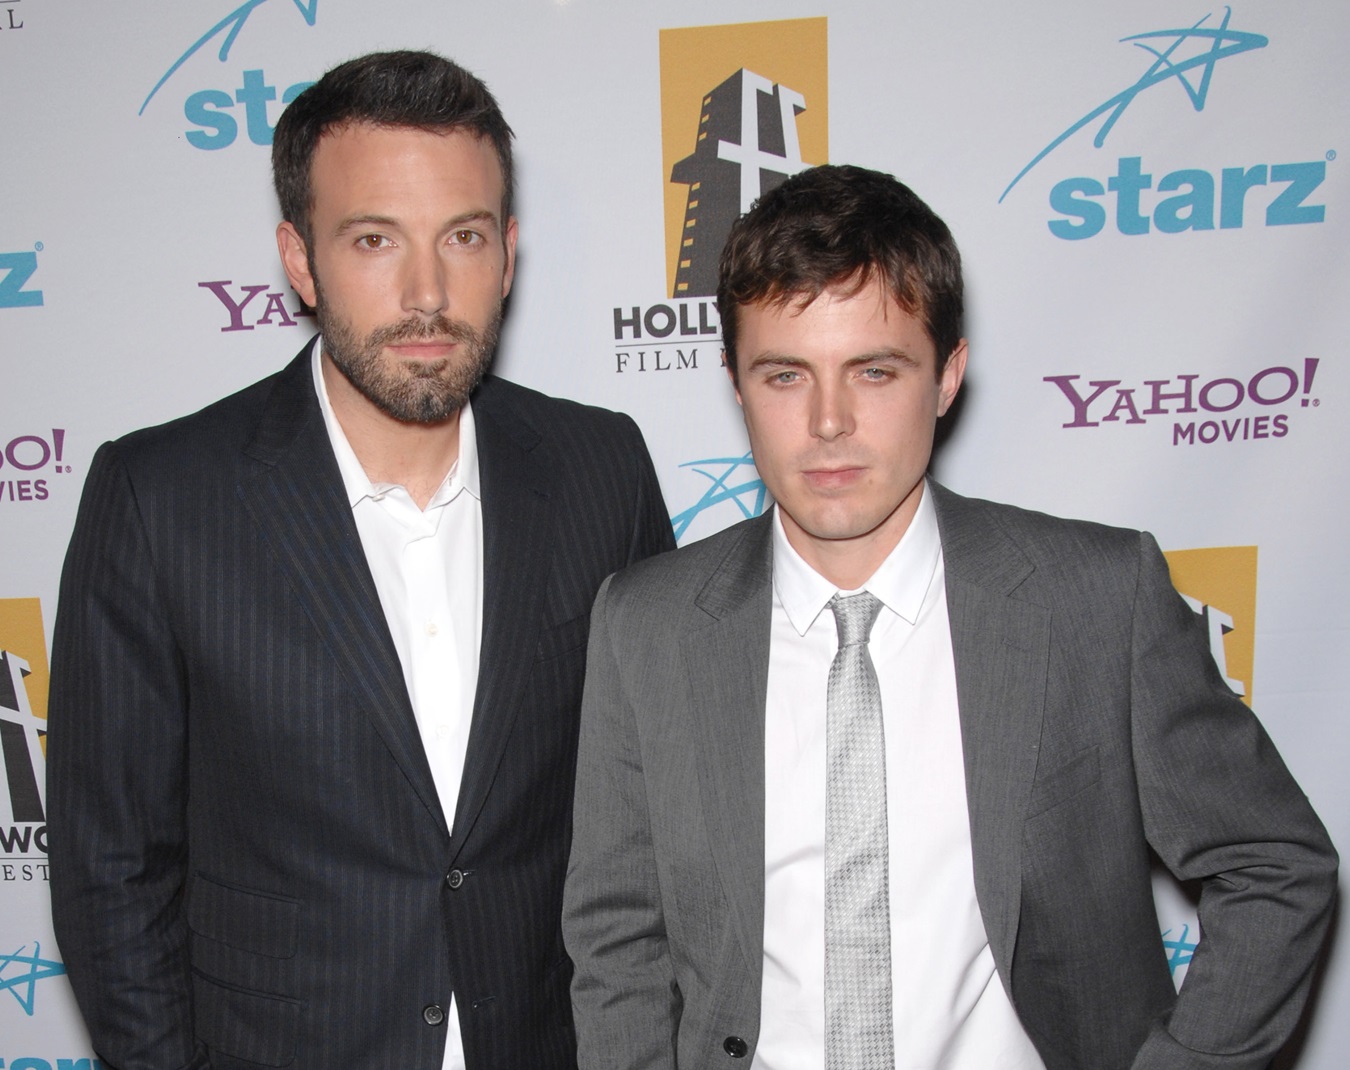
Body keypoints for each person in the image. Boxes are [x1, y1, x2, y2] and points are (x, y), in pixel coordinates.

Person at [562, 164, 1337, 1070]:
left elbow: (1276, 865)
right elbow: (616, 933)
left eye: (875, 370)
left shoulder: (1094, 598)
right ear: (735, 383)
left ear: (947, 377)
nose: (828, 421)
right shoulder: (645, 625)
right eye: (784, 375)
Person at [48, 50, 673, 1070]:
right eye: (375, 239)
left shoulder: (601, 466)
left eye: (463, 236)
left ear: (508, 252)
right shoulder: (161, 498)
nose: (427, 293)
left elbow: (655, 815)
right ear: (300, 260)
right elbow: (110, 871)